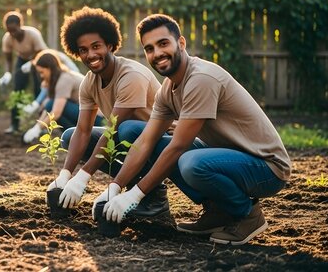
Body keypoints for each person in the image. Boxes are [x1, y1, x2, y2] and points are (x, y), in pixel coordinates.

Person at [96, 13, 291, 245]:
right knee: (140, 133)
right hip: (227, 158)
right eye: (149, 48)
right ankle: (219, 211)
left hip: (266, 167)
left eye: (163, 43)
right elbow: (145, 141)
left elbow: (179, 146)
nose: (157, 53)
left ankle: (247, 215)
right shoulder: (167, 89)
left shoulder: (201, 78)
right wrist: (115, 187)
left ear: (181, 43)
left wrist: (136, 194)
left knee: (191, 163)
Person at [48, 7, 169, 219]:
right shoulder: (89, 82)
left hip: (162, 139)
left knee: (126, 129)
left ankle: (155, 197)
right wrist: (66, 175)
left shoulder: (131, 75)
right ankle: (135, 186)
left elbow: (112, 130)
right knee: (70, 135)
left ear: (110, 45)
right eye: (83, 50)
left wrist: (83, 177)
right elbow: (84, 131)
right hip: (128, 139)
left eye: (96, 46)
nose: (91, 55)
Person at [0, 11, 79, 132]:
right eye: (9, 31)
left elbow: (43, 54)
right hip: (22, 60)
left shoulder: (33, 34)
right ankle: (14, 125)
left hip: (39, 60)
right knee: (17, 89)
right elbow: (9, 59)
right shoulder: (8, 39)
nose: (12, 34)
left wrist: (32, 63)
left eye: (14, 30)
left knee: (39, 90)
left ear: (20, 25)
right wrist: (8, 73)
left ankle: (41, 125)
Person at [22, 49, 103, 143]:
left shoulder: (64, 79)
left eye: (42, 72)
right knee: (50, 105)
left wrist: (37, 129)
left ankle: (78, 138)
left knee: (52, 106)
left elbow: (56, 112)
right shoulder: (58, 78)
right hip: (87, 113)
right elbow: (48, 109)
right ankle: (75, 138)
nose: (41, 76)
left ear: (49, 68)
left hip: (97, 118)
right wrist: (37, 127)